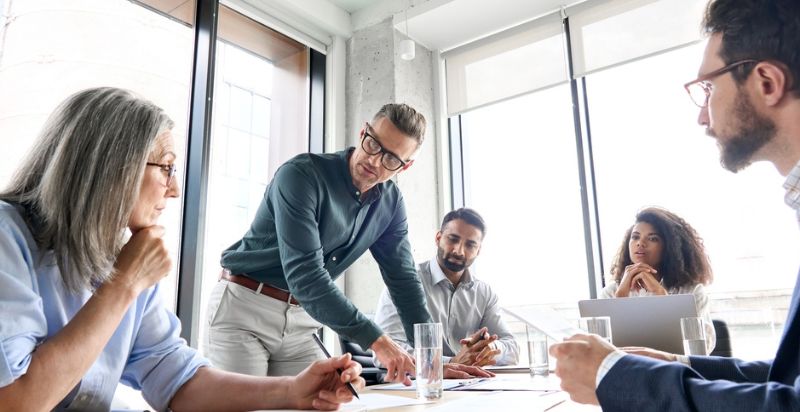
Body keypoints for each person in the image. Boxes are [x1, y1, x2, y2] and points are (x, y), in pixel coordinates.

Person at [550, 0, 800, 410]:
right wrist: (678, 364)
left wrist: (613, 377)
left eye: (707, 88)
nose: (702, 117)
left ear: (766, 81)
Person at [0, 87, 365, 411]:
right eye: (167, 168)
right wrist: (124, 285)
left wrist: (292, 391)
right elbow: (16, 401)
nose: (174, 190)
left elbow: (174, 377)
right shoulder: (8, 237)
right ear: (112, 168)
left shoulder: (125, 257)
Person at [208, 103, 489, 384]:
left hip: (301, 322)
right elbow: (306, 276)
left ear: (406, 166)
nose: (375, 161)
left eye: (392, 159)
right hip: (246, 308)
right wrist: (378, 341)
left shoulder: (390, 204)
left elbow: (404, 281)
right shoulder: (301, 176)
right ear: (363, 132)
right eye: (373, 144)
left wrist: (432, 359)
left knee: (327, 404)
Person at [373, 208, 519, 367]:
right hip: (414, 384)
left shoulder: (484, 293)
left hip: (468, 385)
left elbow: (512, 349)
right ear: (438, 238)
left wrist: (492, 348)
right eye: (453, 239)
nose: (459, 251)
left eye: (470, 245)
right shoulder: (404, 282)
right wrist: (450, 363)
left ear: (479, 250)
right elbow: (386, 351)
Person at [602, 206, 715, 352]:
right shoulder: (611, 292)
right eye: (635, 237)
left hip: (674, 371)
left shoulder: (692, 292)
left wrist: (662, 297)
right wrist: (619, 301)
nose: (640, 243)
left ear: (669, 247)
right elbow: (601, 353)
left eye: (653, 238)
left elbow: (701, 349)